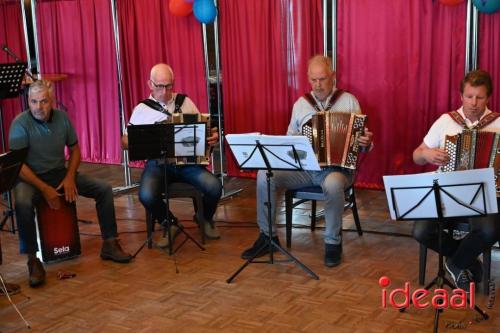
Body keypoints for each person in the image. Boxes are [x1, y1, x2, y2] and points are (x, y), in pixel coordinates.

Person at [241, 55, 373, 267]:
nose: (318, 85)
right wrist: (292, 148)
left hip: (336, 170)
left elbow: (361, 144)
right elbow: (289, 140)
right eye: (313, 80)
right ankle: (267, 237)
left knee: (332, 184)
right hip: (305, 169)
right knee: (264, 175)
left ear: (333, 77)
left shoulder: (348, 101)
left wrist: (366, 141)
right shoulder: (301, 104)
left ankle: (332, 242)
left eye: (322, 79)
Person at [8, 80, 132, 288]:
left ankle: (110, 243)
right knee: (22, 202)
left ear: (52, 101)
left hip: (59, 172)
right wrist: (45, 189)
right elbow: (19, 166)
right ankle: (32, 259)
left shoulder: (62, 118)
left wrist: (69, 177)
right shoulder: (20, 124)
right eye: (34, 102)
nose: (39, 107)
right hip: (30, 177)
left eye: (44, 101)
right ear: (28, 102)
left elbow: (75, 150)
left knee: (103, 189)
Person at [412, 69, 500, 293]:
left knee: (490, 231)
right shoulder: (446, 121)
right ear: (461, 96)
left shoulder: (497, 124)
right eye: (469, 96)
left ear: (488, 97)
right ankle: (468, 259)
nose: (474, 103)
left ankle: (456, 263)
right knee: (421, 232)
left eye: (479, 97)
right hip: (446, 191)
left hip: (483, 193)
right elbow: (417, 155)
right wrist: (427, 154)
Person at [122, 63, 222, 246]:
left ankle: (204, 218)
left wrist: (212, 136)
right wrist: (141, 139)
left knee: (214, 186)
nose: (165, 91)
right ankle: (169, 223)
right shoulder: (142, 110)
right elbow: (125, 141)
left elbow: (205, 130)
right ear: (150, 84)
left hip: (187, 164)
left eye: (169, 86)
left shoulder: (185, 102)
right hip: (157, 164)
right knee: (146, 195)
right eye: (160, 86)